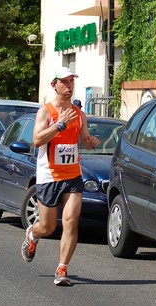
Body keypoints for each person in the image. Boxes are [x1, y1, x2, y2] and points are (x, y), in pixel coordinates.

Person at [21, 67, 100, 286]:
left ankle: (62, 268)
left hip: (73, 174)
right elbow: (37, 140)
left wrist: (90, 142)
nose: (69, 86)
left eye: (71, 82)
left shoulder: (79, 114)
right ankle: (32, 235)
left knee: (71, 222)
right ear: (54, 85)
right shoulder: (45, 112)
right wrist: (59, 125)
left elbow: (83, 140)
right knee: (48, 227)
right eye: (64, 82)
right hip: (49, 175)